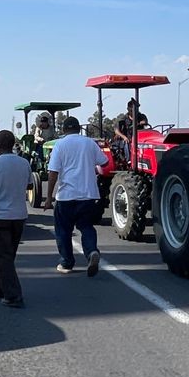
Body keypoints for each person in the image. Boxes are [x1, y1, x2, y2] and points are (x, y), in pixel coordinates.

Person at [47, 115, 108, 276]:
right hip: (88, 195)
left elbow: (53, 172)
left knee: (63, 231)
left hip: (66, 196)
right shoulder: (89, 143)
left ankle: (67, 263)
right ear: (78, 128)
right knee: (87, 227)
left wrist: (48, 197)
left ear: (64, 129)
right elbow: (104, 162)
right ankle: (91, 252)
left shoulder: (60, 145)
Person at [0, 129, 31, 307]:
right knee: (8, 255)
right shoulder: (24, 163)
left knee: (2, 257)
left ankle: (13, 296)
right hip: (19, 216)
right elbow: (29, 185)